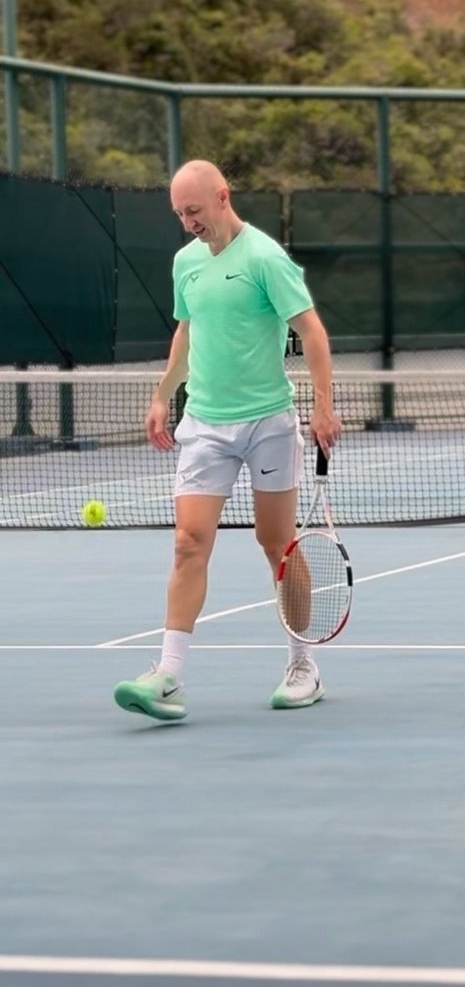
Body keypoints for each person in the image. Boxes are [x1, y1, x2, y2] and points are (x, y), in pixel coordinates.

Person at [113, 160, 340, 721]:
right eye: (179, 214)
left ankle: (302, 665)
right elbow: (187, 330)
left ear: (222, 197)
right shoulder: (185, 263)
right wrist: (164, 394)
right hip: (207, 425)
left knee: (277, 545)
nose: (188, 222)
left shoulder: (264, 258)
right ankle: (168, 675)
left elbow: (311, 330)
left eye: (194, 210)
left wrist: (324, 406)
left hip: (268, 422)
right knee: (189, 542)